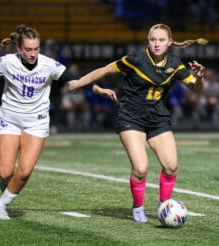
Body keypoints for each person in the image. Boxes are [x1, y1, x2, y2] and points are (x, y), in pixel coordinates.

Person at [0, 24, 116, 221]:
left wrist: (97, 90)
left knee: (25, 172)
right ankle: (8, 185)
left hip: (36, 122)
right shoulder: (8, 62)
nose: (33, 53)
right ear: (19, 49)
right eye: (28, 49)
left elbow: (75, 79)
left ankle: (2, 205)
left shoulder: (48, 64)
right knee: (5, 171)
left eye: (36, 49)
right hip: (9, 119)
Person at [69, 23, 207, 223]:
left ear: (169, 42)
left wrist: (199, 78)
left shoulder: (176, 63)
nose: (157, 44)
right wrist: (78, 83)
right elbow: (105, 70)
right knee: (141, 169)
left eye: (161, 40)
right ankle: (138, 207)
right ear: (148, 40)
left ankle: (164, 204)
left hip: (159, 118)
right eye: (153, 39)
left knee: (171, 167)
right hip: (131, 117)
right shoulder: (135, 59)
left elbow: (197, 89)